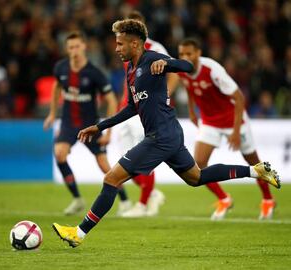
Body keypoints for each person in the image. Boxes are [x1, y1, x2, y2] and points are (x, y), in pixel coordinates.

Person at [52, 19, 280, 248]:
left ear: (135, 43)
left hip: (160, 137)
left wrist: (166, 63)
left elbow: (188, 67)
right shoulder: (131, 69)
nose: (116, 48)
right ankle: (255, 170)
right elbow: (132, 108)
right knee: (196, 178)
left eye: (120, 44)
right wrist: (100, 126)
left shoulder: (152, 58)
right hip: (169, 134)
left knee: (112, 178)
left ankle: (78, 233)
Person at [175, 38, 277, 220]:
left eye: (188, 53)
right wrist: (192, 111)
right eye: (181, 54)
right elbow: (189, 87)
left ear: (198, 53)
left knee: (253, 162)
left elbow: (239, 98)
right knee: (197, 166)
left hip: (233, 121)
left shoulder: (213, 70)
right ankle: (224, 198)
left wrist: (236, 132)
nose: (185, 57)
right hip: (210, 122)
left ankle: (268, 199)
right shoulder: (182, 69)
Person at [43, 31, 131, 216]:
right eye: (70, 47)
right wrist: (52, 114)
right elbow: (57, 87)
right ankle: (77, 199)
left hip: (90, 126)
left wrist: (107, 131)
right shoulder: (61, 68)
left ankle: (124, 201)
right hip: (68, 123)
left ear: (84, 47)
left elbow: (112, 100)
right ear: (66, 49)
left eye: (76, 46)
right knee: (59, 154)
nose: (73, 50)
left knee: (104, 166)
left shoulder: (94, 73)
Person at [117, 10, 175, 218]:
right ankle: (153, 193)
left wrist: (162, 98)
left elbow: (174, 74)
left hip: (145, 112)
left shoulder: (155, 48)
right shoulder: (125, 48)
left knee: (143, 157)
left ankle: (142, 204)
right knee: (125, 160)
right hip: (128, 110)